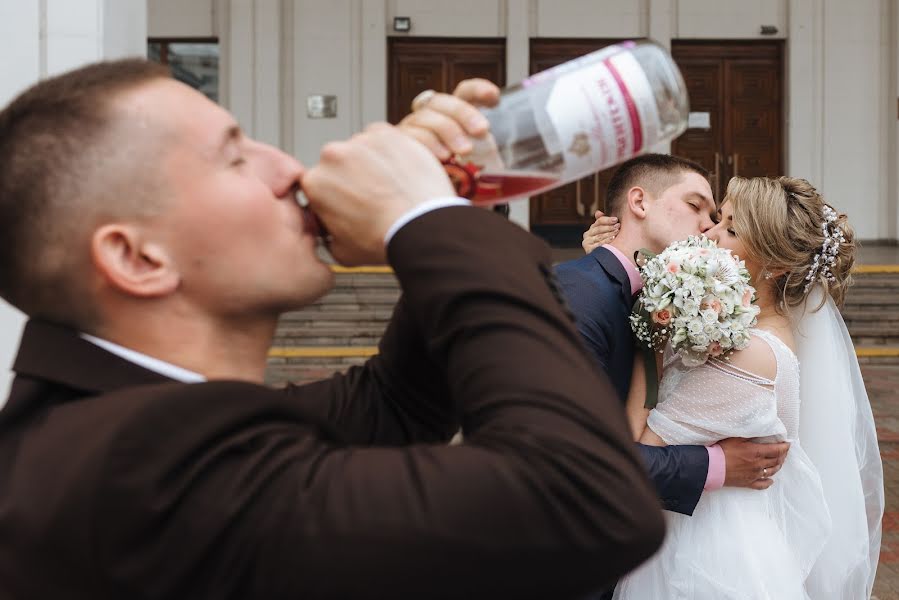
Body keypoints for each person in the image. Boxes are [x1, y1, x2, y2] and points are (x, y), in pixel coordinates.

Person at [0, 60, 665, 598]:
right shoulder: (134, 477)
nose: (291, 169)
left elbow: (394, 407)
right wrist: (426, 221)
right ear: (138, 258)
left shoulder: (132, 423)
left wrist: (449, 194)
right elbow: (583, 502)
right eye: (235, 159)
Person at [613, 176, 884, 598]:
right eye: (719, 219)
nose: (710, 232)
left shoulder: (751, 355)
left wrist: (647, 340)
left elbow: (640, 448)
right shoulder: (739, 330)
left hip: (705, 556)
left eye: (731, 229)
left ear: (773, 265)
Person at [556, 155, 790, 524]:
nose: (707, 228)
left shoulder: (666, 304)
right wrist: (716, 464)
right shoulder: (579, 293)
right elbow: (572, 456)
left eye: (719, 221)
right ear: (639, 202)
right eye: (695, 205)